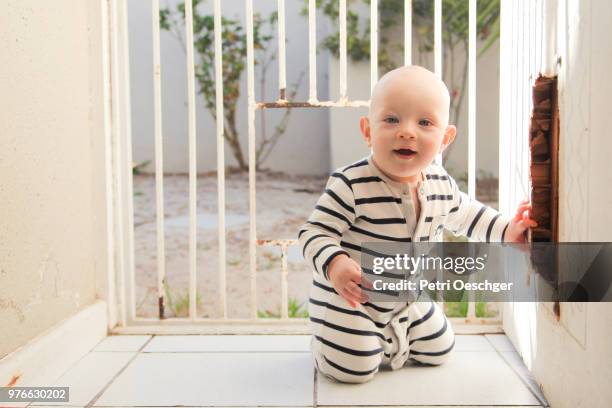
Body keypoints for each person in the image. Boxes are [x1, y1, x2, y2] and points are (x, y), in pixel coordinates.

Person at [297, 65, 537, 384]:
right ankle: (326, 345)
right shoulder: (351, 183)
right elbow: (313, 233)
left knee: (440, 349)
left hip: (407, 298)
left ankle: (389, 339)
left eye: (424, 122)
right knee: (354, 369)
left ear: (444, 139)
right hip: (354, 297)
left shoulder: (439, 183)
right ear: (368, 130)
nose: (407, 131)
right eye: (392, 119)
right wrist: (336, 264)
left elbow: (467, 215)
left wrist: (508, 230)